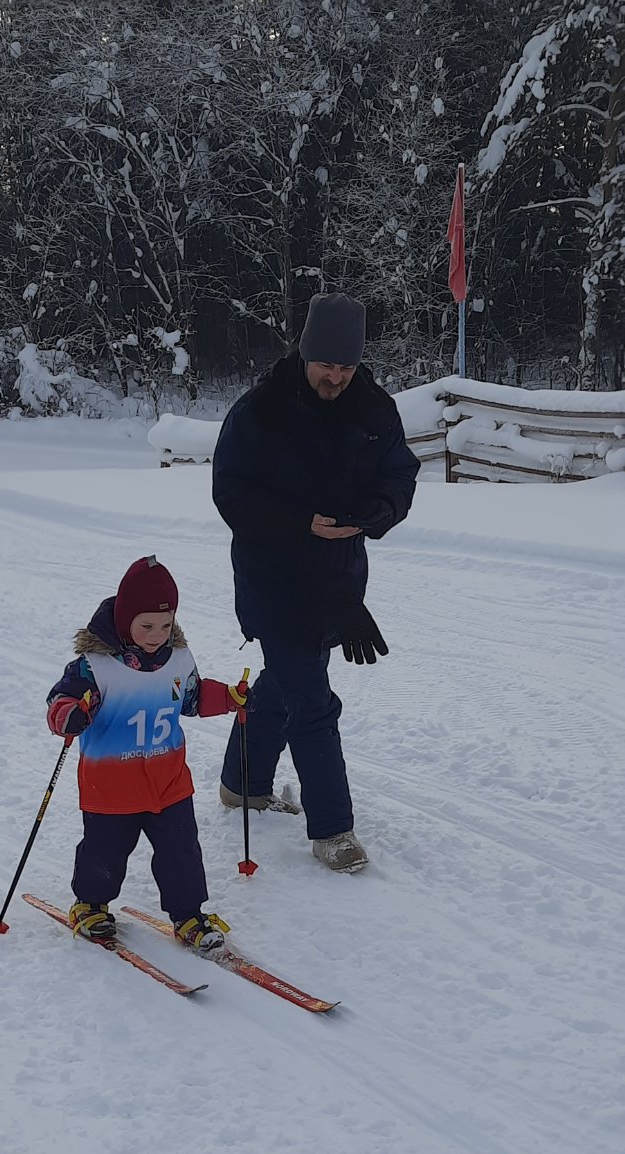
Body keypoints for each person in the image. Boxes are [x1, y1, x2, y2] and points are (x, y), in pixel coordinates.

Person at [212, 290, 420, 871]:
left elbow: (399, 475)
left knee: (286, 681)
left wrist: (381, 511)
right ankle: (333, 830)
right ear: (305, 353)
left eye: (346, 366)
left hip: (339, 580)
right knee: (311, 699)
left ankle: (242, 784)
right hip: (273, 576)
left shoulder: (374, 409)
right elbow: (231, 493)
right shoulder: (261, 410)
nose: (336, 377)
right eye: (326, 364)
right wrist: (301, 522)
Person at [46, 555, 248, 950]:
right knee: (105, 851)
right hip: (111, 784)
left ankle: (189, 915)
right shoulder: (96, 666)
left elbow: (191, 698)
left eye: (166, 625)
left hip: (168, 782)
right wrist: (69, 714)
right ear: (125, 620)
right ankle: (90, 905)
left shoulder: (178, 659)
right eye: (147, 626)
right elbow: (61, 700)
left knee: (181, 851)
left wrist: (227, 697)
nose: (158, 635)